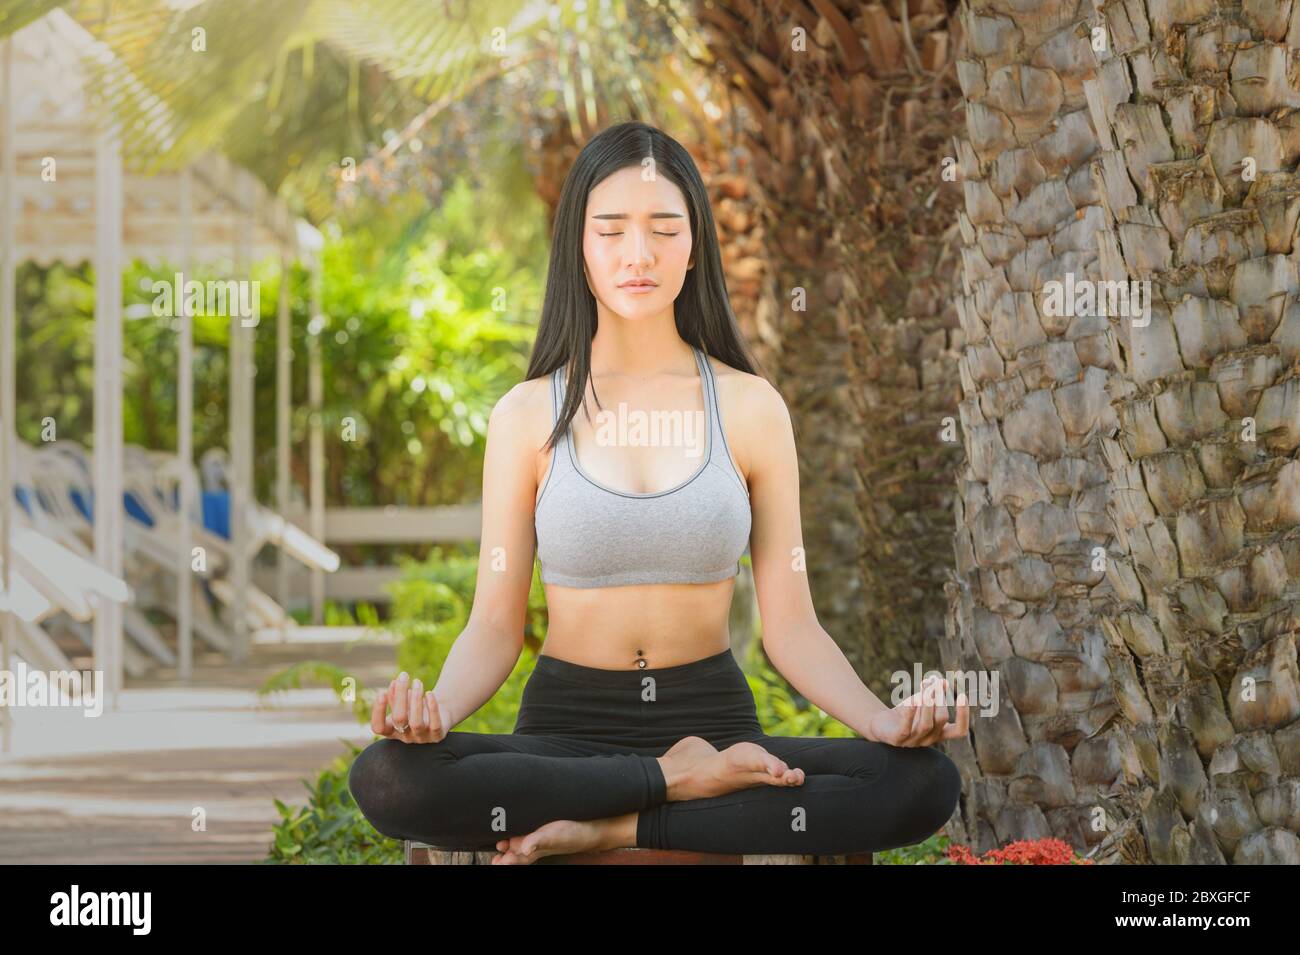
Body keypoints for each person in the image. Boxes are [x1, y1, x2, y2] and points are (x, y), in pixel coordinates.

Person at [348, 120, 966, 864]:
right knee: (388, 777)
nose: (637, 254)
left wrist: (881, 719)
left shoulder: (751, 407)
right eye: (610, 230)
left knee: (919, 780)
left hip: (713, 724)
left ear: (694, 243)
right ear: (577, 245)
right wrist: (437, 714)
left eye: (663, 229)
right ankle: (671, 783)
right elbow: (494, 626)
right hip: (565, 735)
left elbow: (792, 626)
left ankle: (617, 822)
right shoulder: (525, 415)